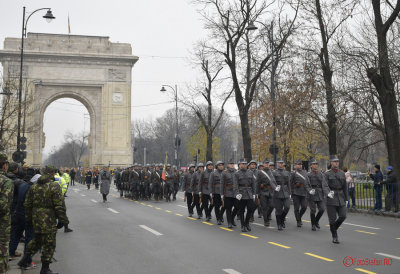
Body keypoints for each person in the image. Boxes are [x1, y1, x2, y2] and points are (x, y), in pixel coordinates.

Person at [18, 165, 69, 274]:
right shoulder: (54, 186)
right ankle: (45, 269)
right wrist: (63, 220)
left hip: (36, 218)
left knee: (37, 240)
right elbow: (59, 206)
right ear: (51, 174)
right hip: (48, 219)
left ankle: (25, 258)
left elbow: (27, 204)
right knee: (49, 244)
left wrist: (29, 218)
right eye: (54, 173)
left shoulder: (34, 186)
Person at [325, 155, 348, 244]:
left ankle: (333, 228)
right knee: (332, 219)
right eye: (334, 161)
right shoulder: (327, 174)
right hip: (331, 197)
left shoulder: (342, 173)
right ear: (331, 162)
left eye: (337, 161)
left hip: (341, 197)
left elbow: (345, 187)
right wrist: (328, 193)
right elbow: (325, 185)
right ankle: (335, 236)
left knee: (343, 216)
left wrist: (346, 199)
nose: (336, 163)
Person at [233, 159, 257, 232]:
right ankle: (243, 225)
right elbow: (235, 185)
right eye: (242, 164)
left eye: (245, 164)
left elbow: (253, 184)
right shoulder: (236, 173)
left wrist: (254, 194)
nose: (244, 165)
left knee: (251, 208)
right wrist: (237, 193)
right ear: (239, 165)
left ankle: (247, 223)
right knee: (242, 210)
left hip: (249, 192)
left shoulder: (250, 172)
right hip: (241, 193)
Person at [0, 154, 14, 273]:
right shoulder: (6, 182)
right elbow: (4, 205)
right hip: (2, 223)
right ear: (4, 166)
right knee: (2, 248)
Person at [307, 159, 329, 231]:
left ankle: (316, 221)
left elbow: (324, 184)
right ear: (311, 165)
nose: (315, 165)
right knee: (313, 210)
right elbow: (307, 185)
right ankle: (313, 224)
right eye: (314, 164)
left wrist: (326, 193)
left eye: (316, 164)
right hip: (312, 193)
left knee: (322, 209)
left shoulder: (321, 174)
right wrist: (310, 191)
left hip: (320, 193)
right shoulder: (309, 174)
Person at [256, 158, 277, 227]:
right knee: (264, 207)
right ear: (263, 164)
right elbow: (257, 183)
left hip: (271, 191)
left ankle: (267, 216)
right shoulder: (260, 172)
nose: (267, 164)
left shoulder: (272, 172)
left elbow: (274, 182)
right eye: (265, 163)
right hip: (263, 191)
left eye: (268, 163)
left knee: (272, 206)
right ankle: (266, 220)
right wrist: (257, 193)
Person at [291, 159, 311, 227]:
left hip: (304, 192)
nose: (300, 166)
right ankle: (298, 221)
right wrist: (295, 185)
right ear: (295, 165)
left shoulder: (305, 172)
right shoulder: (293, 173)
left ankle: (299, 216)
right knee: (296, 208)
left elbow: (308, 182)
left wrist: (309, 191)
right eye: (298, 164)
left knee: (304, 207)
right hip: (296, 192)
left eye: (301, 164)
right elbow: (290, 183)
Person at [273, 159, 291, 231]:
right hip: (278, 192)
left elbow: (288, 183)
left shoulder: (286, 172)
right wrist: (275, 188)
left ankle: (282, 219)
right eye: (279, 163)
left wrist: (290, 193)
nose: (281, 164)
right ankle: (279, 224)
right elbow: (272, 182)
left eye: (282, 163)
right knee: (278, 209)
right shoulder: (274, 172)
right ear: (277, 163)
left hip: (285, 192)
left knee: (287, 207)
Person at [221, 160, 238, 228]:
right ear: (228, 165)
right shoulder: (224, 173)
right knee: (228, 208)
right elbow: (222, 184)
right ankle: (229, 222)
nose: (232, 165)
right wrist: (222, 194)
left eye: (233, 164)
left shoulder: (236, 172)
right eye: (231, 164)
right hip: (227, 192)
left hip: (235, 192)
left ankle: (232, 218)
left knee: (237, 207)